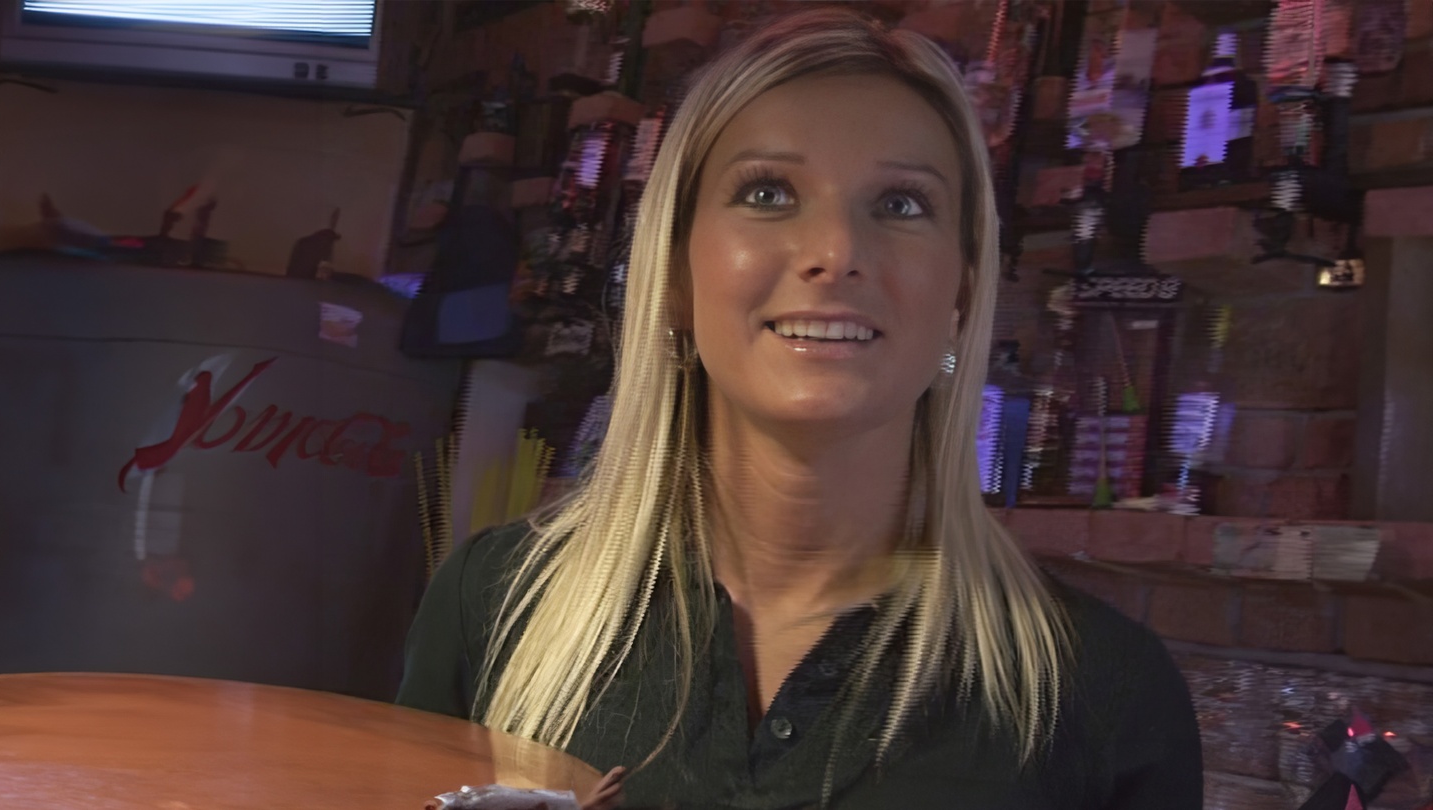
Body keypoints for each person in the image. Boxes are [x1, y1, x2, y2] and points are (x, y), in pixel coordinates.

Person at [396, 9, 1203, 809]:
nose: (838, 253)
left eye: (901, 205)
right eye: (768, 191)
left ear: (959, 295)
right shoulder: (495, 602)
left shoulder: (1103, 694)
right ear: (675, 276)